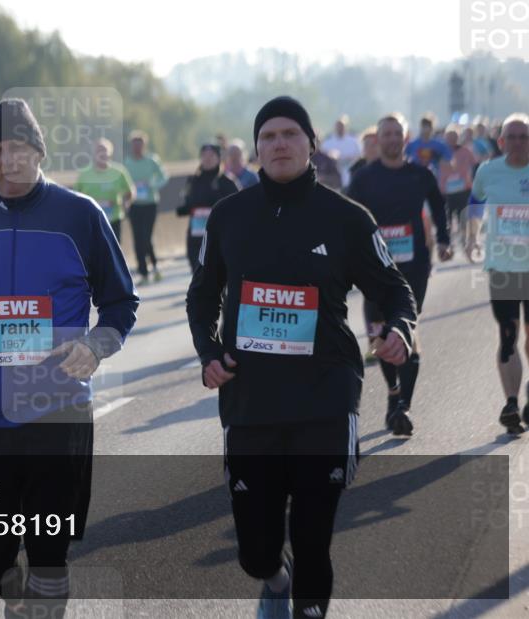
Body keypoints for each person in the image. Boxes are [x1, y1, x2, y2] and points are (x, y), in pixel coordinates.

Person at [187, 96, 416, 619]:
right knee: (256, 551)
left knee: (313, 540)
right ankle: (274, 578)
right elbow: (201, 296)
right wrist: (208, 352)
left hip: (325, 399)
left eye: (290, 133)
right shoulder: (228, 217)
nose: (279, 144)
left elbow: (395, 289)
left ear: (311, 144)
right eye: (267, 136)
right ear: (256, 149)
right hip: (250, 402)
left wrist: (401, 329)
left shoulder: (346, 218)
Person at [0, 98, 138, 617]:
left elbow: (120, 302)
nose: (5, 159)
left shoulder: (80, 214)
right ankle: (17, 597)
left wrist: (95, 345)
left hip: (57, 413)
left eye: (16, 146)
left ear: (38, 151)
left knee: (48, 555)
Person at [347, 113, 452, 436]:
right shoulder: (364, 179)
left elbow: (437, 206)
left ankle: (403, 405)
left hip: (414, 267)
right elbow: (347, 221)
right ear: (378, 140)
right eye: (386, 134)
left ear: (406, 139)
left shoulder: (420, 175)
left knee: (406, 330)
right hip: (375, 271)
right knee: (379, 336)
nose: (392, 139)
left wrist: (445, 239)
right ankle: (394, 393)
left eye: (397, 134)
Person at [465, 113, 529, 435]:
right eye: (512, 137)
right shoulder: (488, 171)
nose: (518, 142)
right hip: (502, 268)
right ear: (501, 141)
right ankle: (511, 403)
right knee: (508, 336)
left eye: (524, 137)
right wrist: (471, 234)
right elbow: (475, 201)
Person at [176, 144, 239, 273]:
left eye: (211, 155)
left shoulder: (226, 181)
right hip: (196, 234)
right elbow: (188, 202)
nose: (207, 158)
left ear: (218, 158)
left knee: (216, 272)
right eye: (204, 155)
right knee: (197, 271)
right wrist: (184, 209)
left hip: (218, 235)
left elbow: (237, 207)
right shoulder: (193, 180)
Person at [124, 130, 169, 284]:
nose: (137, 148)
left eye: (140, 145)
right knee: (137, 238)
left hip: (150, 203)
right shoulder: (126, 163)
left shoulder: (152, 160)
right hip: (134, 204)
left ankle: (155, 266)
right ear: (131, 146)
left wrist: (152, 185)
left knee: (146, 237)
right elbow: (122, 182)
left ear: (144, 145)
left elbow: (164, 176)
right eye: (134, 145)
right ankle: (143, 273)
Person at [73, 138, 135, 243]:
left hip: (114, 219)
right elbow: (75, 197)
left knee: (114, 251)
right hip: (92, 221)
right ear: (93, 154)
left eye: (104, 150)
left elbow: (129, 192)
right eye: (98, 151)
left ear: (110, 153)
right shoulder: (84, 174)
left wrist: (125, 203)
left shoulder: (119, 172)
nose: (101, 153)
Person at [440, 126, 477, 241]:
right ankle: (448, 240)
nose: (451, 140)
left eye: (454, 137)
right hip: (446, 190)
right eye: (449, 137)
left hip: (463, 188)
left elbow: (474, 163)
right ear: (445, 138)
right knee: (447, 217)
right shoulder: (440, 152)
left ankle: (464, 238)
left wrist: (469, 176)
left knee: (463, 215)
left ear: (458, 138)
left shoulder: (466, 150)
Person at [320, 115, 362, 189]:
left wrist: (347, 159)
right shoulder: (328, 142)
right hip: (332, 174)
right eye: (338, 126)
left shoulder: (353, 141)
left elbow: (359, 155)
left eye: (342, 126)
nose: (340, 128)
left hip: (349, 171)